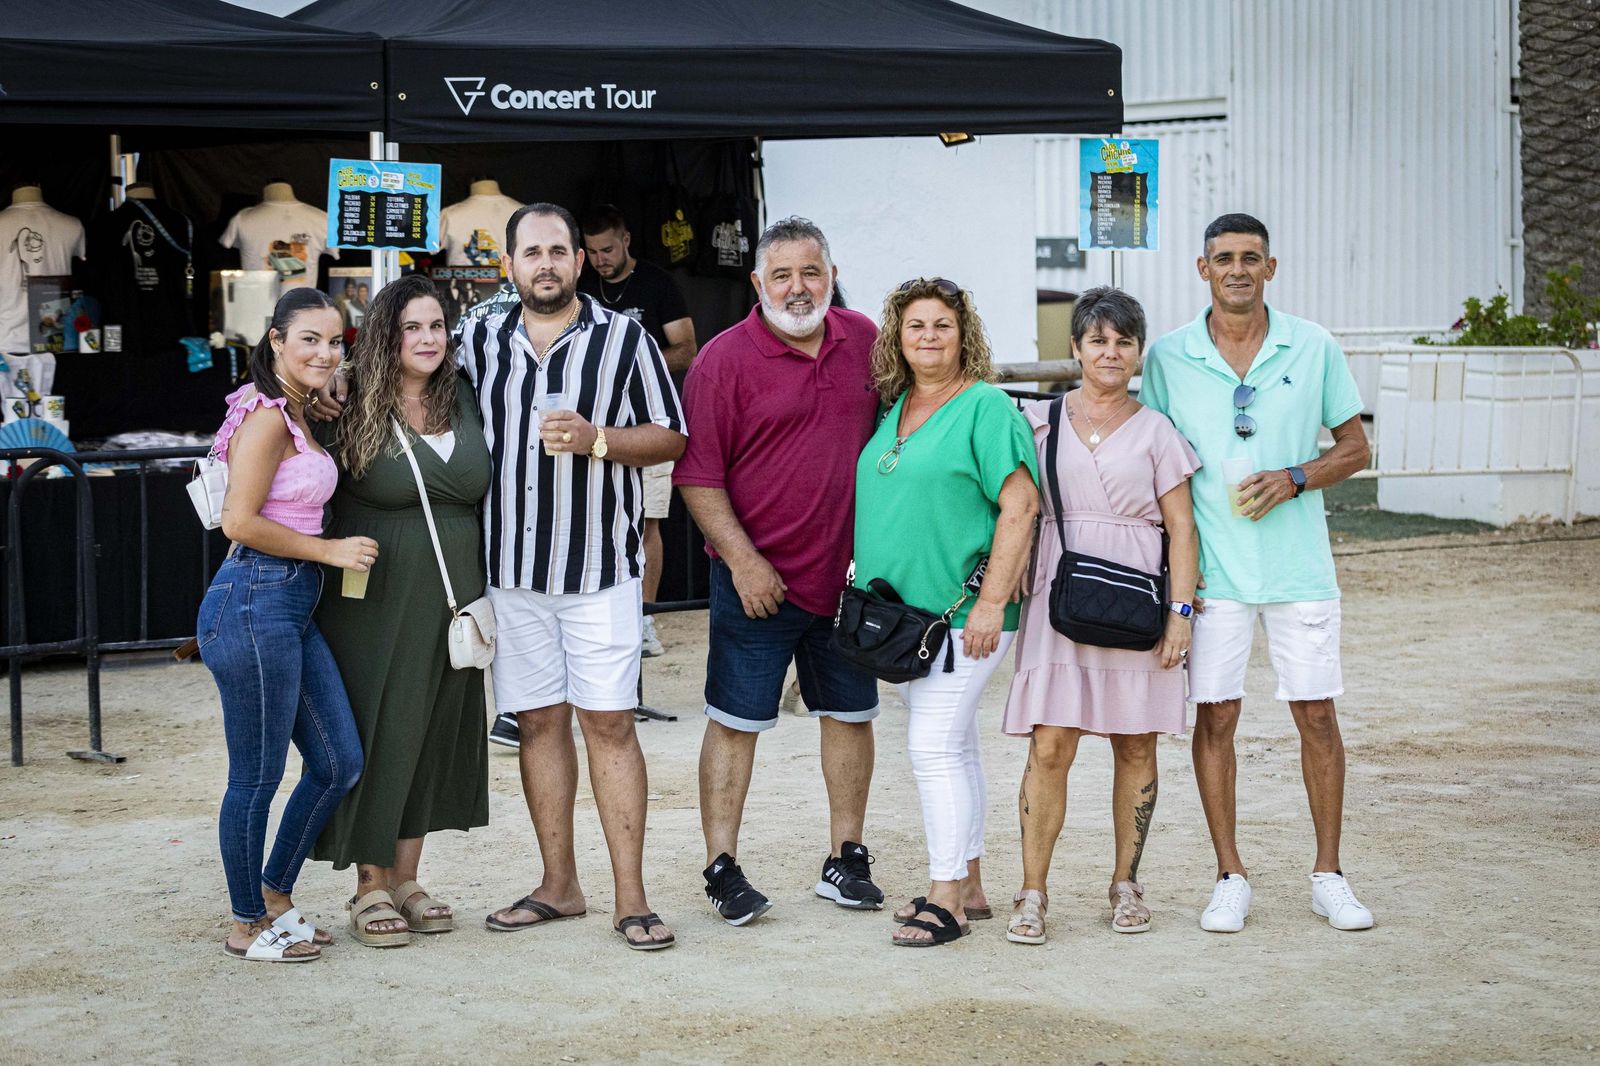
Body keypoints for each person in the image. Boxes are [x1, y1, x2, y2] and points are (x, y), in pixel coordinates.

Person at [1140, 213, 1375, 933]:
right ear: (1202, 269)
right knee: (1216, 717)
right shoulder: (1169, 356)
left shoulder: (1314, 344)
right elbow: (1154, 460)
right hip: (1213, 576)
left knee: (1317, 715)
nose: (1237, 269)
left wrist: (1296, 476)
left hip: (1300, 570)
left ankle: (1329, 876)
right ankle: (1229, 876)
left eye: (1251, 258)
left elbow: (1355, 447)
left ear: (1270, 267)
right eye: (1224, 258)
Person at [467, 203, 686, 951]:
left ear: (580, 261)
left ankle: (633, 898)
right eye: (531, 253)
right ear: (509, 265)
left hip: (600, 570)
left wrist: (597, 440)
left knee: (610, 723)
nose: (546, 264)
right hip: (512, 573)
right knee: (536, 724)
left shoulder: (625, 338)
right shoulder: (478, 337)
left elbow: (671, 436)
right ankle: (559, 885)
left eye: (558, 251)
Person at [675, 217, 884, 925]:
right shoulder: (722, 362)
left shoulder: (867, 341)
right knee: (735, 722)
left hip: (847, 582)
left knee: (850, 716)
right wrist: (743, 561)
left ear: (831, 276)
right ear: (757, 283)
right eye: (783, 275)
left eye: (811, 272)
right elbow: (698, 477)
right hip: (755, 584)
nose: (799, 288)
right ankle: (722, 867)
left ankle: (846, 858)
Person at [1001, 288, 1200, 944]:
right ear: (1076, 348)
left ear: (1138, 352)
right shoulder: (1039, 421)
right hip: (1059, 596)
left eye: (1124, 342)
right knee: (1051, 743)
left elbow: (1182, 528)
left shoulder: (1158, 432)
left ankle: (1126, 883)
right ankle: (1032, 891)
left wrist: (1180, 613)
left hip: (1137, 598)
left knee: (1136, 742)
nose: (1110, 352)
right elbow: (1013, 504)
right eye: (1098, 340)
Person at [853, 277, 1038, 947]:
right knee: (953, 747)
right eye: (915, 326)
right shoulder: (897, 406)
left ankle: (946, 900)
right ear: (897, 339)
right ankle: (972, 885)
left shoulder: (985, 407)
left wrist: (992, 601)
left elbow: (1020, 504)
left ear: (964, 336)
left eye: (942, 325)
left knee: (931, 748)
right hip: (907, 620)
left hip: (963, 617)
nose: (928, 336)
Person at [311, 275, 492, 948]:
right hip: (374, 592)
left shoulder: (463, 394)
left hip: (454, 591)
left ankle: (409, 878)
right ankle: (370, 884)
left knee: (434, 727)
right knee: (381, 726)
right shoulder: (348, 398)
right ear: (385, 336)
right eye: (411, 327)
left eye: (437, 326)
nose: (427, 338)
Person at [195, 287, 373, 963]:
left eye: (334, 342)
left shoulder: (292, 407)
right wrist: (330, 551)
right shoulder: (269, 417)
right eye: (309, 340)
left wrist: (326, 393)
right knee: (257, 776)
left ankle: (273, 894)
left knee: (337, 763)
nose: (325, 353)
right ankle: (246, 923)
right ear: (275, 340)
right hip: (255, 599)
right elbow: (238, 522)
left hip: (287, 604)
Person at [578, 205, 699, 661]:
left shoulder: (656, 283)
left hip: (648, 423)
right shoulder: (581, 286)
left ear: (626, 239)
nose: (600, 260)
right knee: (589, 516)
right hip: (592, 425)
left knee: (648, 521)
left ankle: (644, 619)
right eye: (592, 252)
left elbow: (687, 349)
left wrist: (630, 361)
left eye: (607, 250)